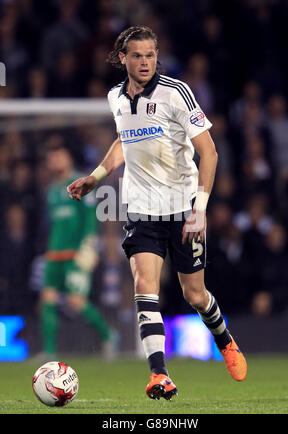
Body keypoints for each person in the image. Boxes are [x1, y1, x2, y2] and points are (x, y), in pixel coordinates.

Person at [67, 26, 247, 400]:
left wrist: (200, 210)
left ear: (156, 56)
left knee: (194, 294)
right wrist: (95, 176)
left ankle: (225, 339)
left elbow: (209, 153)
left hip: (183, 209)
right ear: (123, 59)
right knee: (144, 286)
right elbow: (124, 140)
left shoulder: (176, 93)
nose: (145, 62)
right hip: (141, 210)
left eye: (150, 55)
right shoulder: (115, 97)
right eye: (137, 55)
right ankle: (159, 375)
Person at [39, 142, 113, 359]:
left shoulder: (81, 182)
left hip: (75, 253)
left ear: (68, 158)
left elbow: (90, 217)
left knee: (76, 301)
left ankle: (109, 337)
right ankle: (49, 352)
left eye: (59, 156)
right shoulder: (51, 189)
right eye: (52, 158)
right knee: (48, 298)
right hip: (54, 253)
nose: (56, 161)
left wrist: (89, 245)